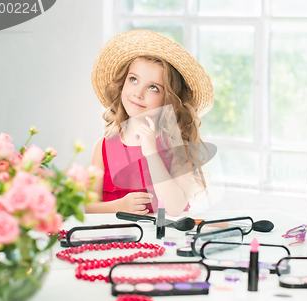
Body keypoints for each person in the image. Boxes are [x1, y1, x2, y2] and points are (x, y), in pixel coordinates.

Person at [85, 30, 214, 216]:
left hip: (162, 241)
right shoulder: (103, 147)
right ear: (123, 83)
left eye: (153, 87)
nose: (138, 93)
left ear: (169, 99)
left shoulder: (176, 147)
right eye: (133, 79)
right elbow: (88, 208)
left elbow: (175, 208)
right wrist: (118, 206)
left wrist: (152, 153)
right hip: (116, 241)